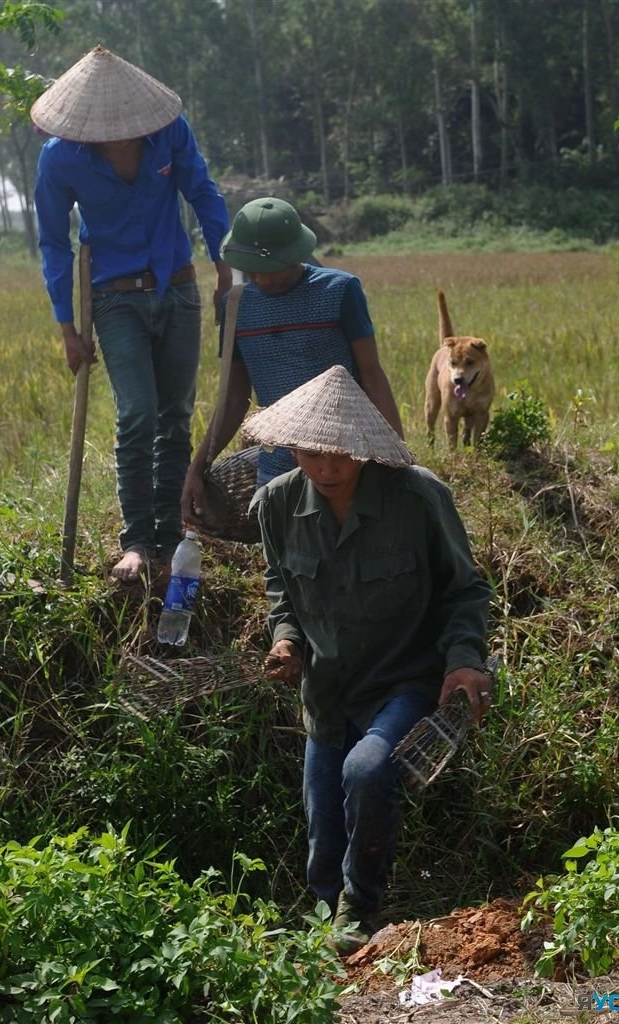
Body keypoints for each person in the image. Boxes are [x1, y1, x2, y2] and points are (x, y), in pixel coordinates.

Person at [244, 365, 494, 954]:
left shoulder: (418, 497)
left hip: (404, 679)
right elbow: (281, 586)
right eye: (311, 454)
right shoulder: (275, 506)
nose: (327, 468)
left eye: (340, 455)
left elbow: (465, 589)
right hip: (327, 692)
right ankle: (325, 926)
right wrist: (287, 640)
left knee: (366, 771)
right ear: (293, 447)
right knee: (322, 837)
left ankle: (360, 916)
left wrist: (465, 658)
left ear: (363, 447)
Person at [31, 45, 232, 581]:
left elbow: (204, 194)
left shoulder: (169, 133)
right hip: (114, 297)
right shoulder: (61, 157)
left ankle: (169, 538)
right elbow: (54, 242)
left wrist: (225, 267)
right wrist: (67, 328)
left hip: (179, 288)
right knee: (138, 413)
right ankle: (137, 541)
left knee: (175, 417)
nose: (118, 132)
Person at [181, 196, 402, 522]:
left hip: (343, 458)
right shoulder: (236, 306)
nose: (265, 279)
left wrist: (396, 458)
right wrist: (197, 469)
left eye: (274, 269)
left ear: (297, 253)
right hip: (278, 466)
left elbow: (371, 375)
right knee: (285, 558)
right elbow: (233, 399)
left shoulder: (339, 291)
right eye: (254, 270)